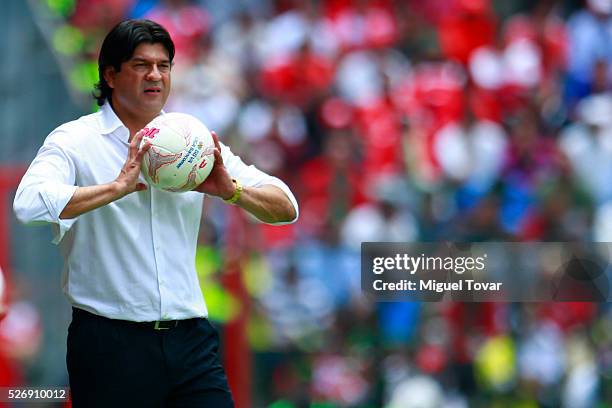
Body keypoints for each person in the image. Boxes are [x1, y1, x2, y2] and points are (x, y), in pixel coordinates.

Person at [13, 19, 298, 407]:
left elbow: (286, 206)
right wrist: (114, 189)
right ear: (110, 75)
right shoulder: (75, 141)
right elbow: (27, 205)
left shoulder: (192, 141)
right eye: (140, 65)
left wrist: (233, 193)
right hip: (109, 344)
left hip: (191, 341)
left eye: (164, 66)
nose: (155, 75)